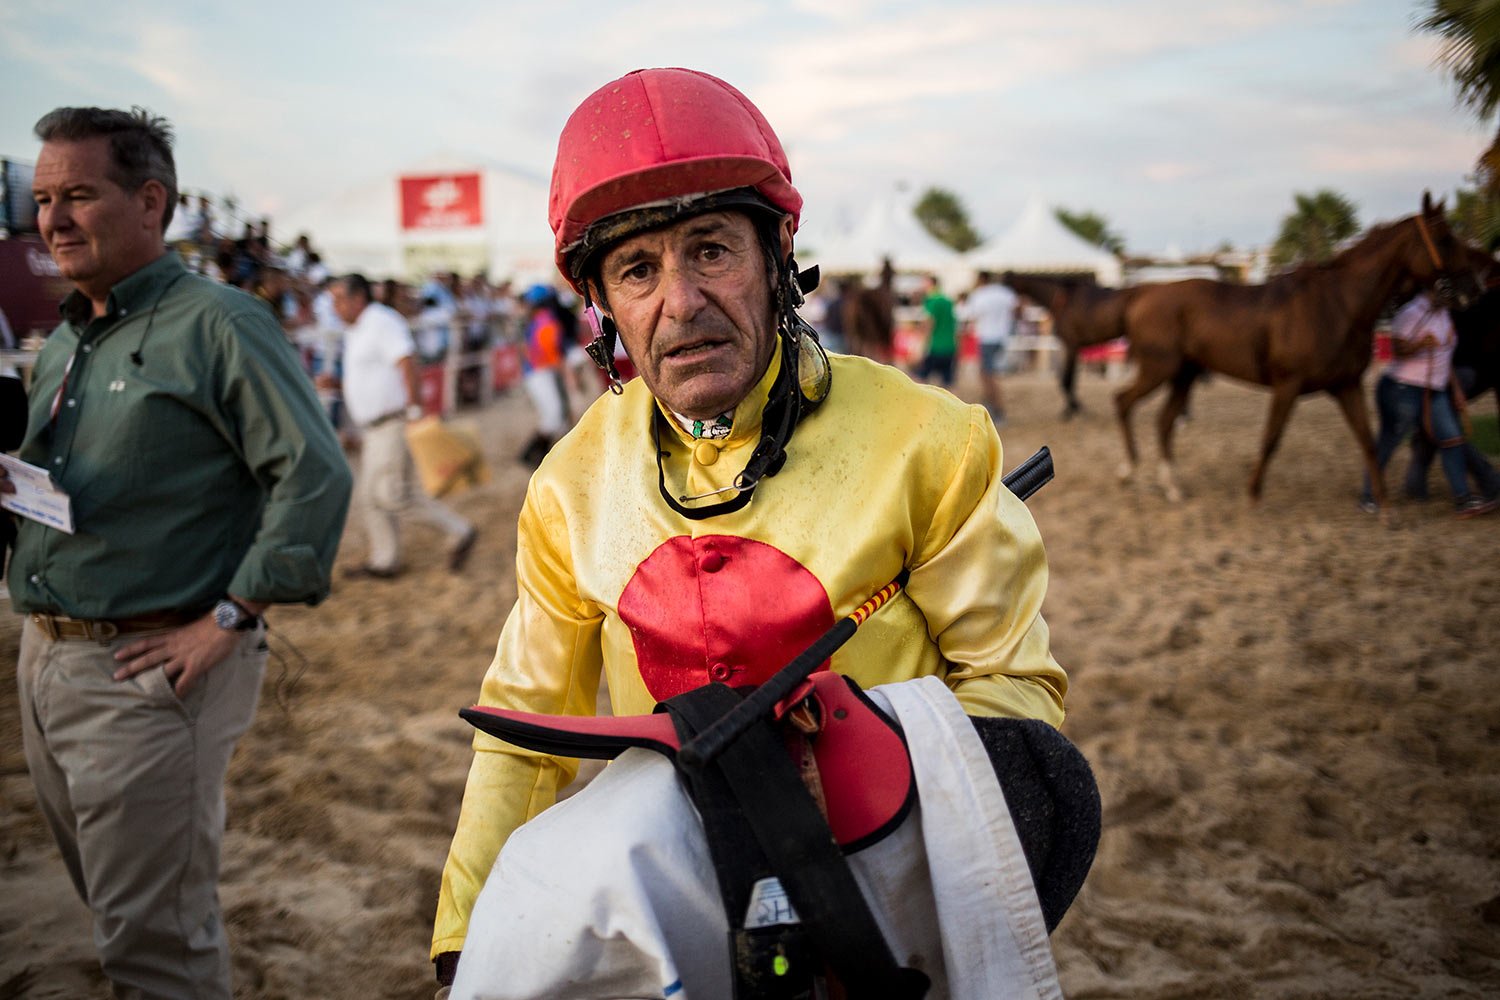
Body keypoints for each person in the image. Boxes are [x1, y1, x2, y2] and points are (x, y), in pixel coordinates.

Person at [431, 67, 1067, 990]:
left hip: (886, 910)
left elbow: (1014, 691)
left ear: (777, 255)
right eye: (639, 269)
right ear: (603, 303)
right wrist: (466, 937)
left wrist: (873, 814)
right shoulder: (567, 485)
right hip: (673, 918)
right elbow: (523, 732)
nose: (680, 302)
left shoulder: (933, 440)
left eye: (711, 250)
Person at [3, 106, 352, 998]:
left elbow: (313, 480)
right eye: (44, 200)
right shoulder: (70, 337)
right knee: (112, 905)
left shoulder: (222, 324)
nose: (54, 220)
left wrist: (231, 617)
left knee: (153, 946)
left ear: (151, 201)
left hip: (152, 668)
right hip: (45, 657)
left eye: (79, 195)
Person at [326, 273, 477, 577]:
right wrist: (338, 385)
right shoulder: (358, 328)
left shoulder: (381, 321)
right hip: (374, 427)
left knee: (391, 494)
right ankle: (385, 560)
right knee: (373, 496)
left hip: (391, 423)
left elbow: (407, 361)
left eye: (340, 300)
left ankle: (459, 530)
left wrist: (414, 409)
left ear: (358, 298)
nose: (335, 307)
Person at [1361, 288, 1499, 518]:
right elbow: (1395, 349)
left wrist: (1455, 390)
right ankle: (1369, 495)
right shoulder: (1411, 313)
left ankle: (1463, 499)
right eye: (1447, 293)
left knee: (1452, 439)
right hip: (1403, 388)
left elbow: (1446, 357)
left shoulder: (1444, 314)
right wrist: (1420, 345)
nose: (1452, 298)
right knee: (1389, 441)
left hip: (1435, 389)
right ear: (1433, 290)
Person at [515, 283, 570, 466]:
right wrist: (568, 375)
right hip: (540, 373)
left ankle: (535, 455)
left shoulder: (536, 319)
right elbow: (550, 354)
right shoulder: (546, 320)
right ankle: (531, 455)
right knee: (554, 417)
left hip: (538, 373)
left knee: (556, 417)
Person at [963, 269, 1020, 423]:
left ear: (981, 279)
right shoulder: (1005, 292)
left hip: (987, 338)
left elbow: (969, 317)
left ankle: (998, 410)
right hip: (1002, 338)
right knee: (988, 374)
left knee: (988, 376)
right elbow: (1018, 308)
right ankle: (991, 405)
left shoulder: (979, 295)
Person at [916, 273, 958, 387]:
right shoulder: (948, 300)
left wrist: (921, 347)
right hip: (950, 346)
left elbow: (929, 324)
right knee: (947, 383)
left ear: (930, 283)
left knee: (920, 379)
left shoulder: (932, 300)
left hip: (935, 346)